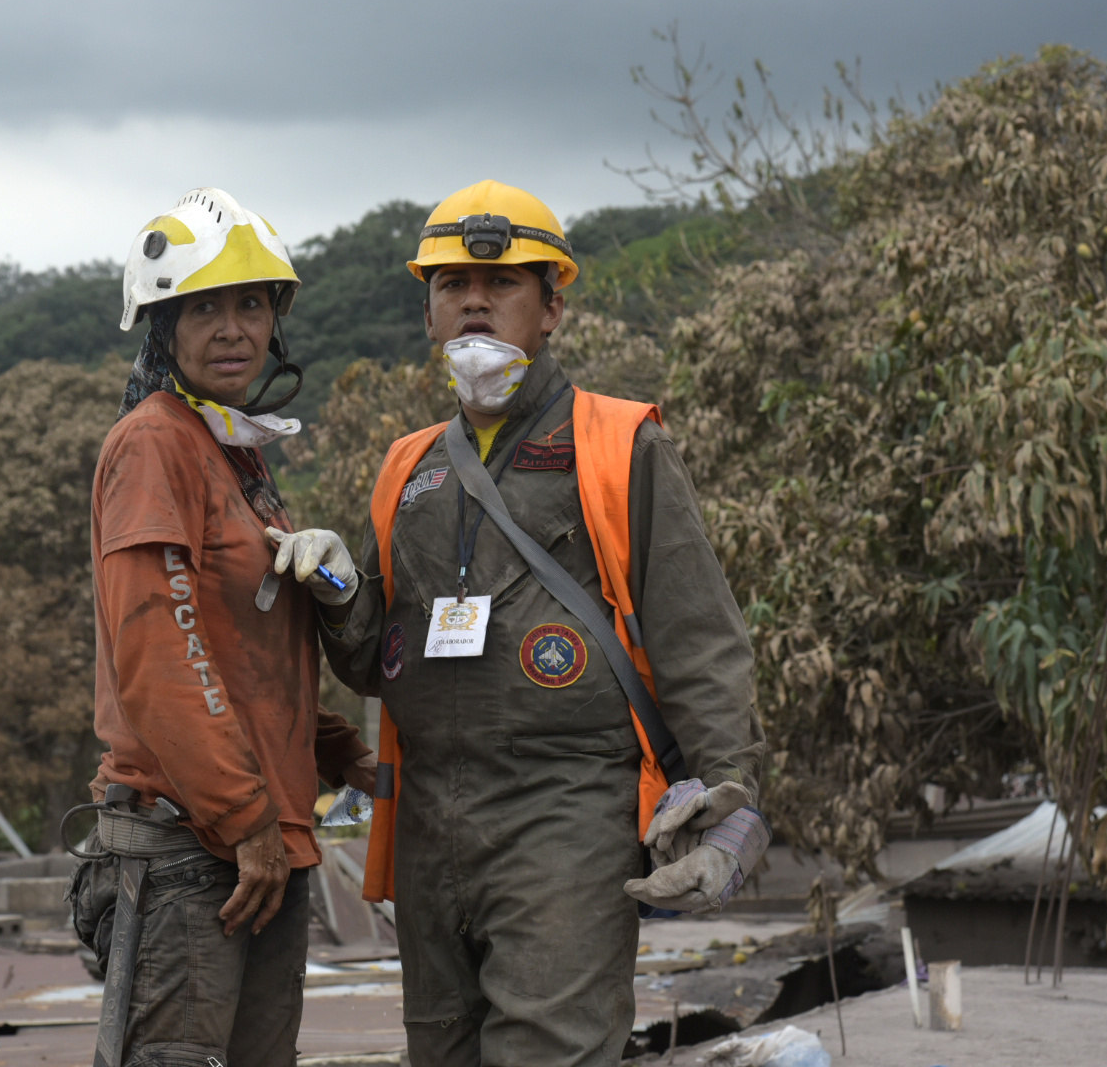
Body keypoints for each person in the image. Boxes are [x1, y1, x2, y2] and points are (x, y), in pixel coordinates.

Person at [266, 180, 769, 1063]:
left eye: (500, 285)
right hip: (429, 817)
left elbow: (701, 639)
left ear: (552, 307)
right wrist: (342, 594)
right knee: (443, 1051)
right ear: (428, 313)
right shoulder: (408, 468)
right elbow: (375, 661)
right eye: (450, 284)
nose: (472, 301)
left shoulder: (619, 445)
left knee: (552, 1050)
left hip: (567, 806)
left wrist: (729, 806)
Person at [72, 187, 376, 1067]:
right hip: (190, 845)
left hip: (260, 841)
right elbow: (158, 653)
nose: (234, 327)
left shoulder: (236, 457)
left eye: (252, 303)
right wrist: (245, 819)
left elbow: (240, 654)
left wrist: (332, 748)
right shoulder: (155, 444)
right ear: (160, 326)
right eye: (204, 306)